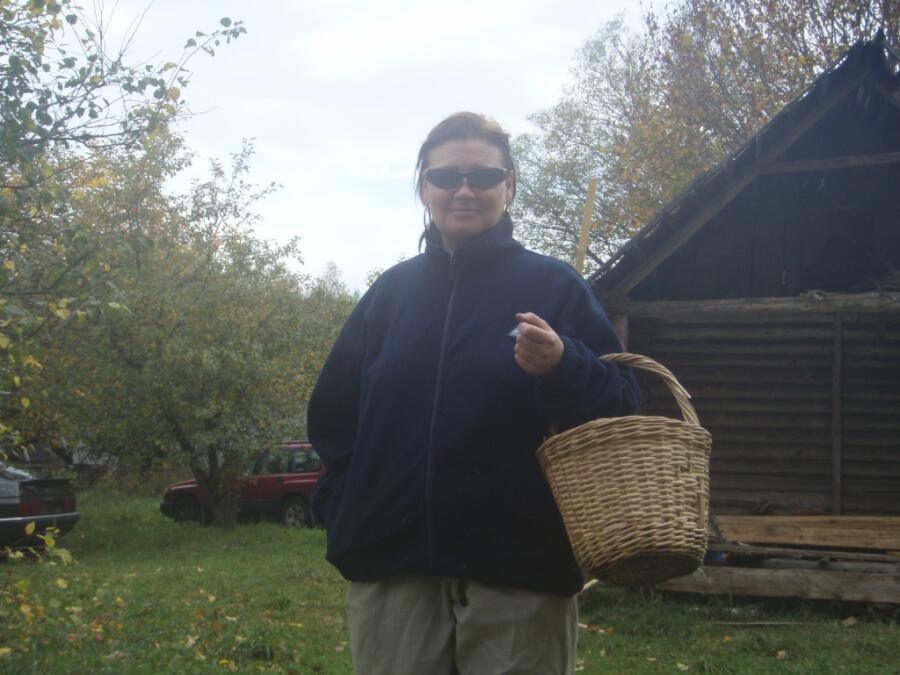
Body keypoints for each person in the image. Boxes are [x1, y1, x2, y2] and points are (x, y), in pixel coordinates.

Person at [308, 111, 639, 674]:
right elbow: (332, 419)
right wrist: (346, 510)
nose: (464, 191)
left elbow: (625, 403)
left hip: (521, 571)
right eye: (446, 177)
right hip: (393, 568)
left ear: (509, 187)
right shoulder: (390, 295)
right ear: (424, 188)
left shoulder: (554, 285)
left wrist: (565, 364)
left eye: (483, 177)